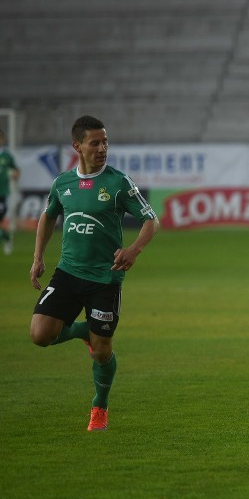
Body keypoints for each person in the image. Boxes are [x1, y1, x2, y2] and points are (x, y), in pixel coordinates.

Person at [29, 115, 160, 432]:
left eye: (105, 142)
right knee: (40, 335)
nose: (102, 148)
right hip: (68, 272)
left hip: (105, 277)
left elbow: (151, 220)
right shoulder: (63, 183)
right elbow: (48, 217)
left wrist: (133, 250)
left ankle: (99, 407)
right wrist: (38, 258)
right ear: (77, 146)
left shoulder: (117, 182)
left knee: (102, 351)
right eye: (95, 142)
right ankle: (81, 331)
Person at [0, 129, 20, 255]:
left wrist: (14, 175)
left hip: (2, 194)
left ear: (3, 139)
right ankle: (6, 238)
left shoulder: (7, 156)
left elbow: (16, 171)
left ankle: (7, 239)